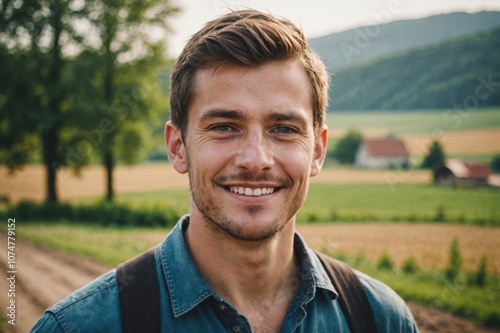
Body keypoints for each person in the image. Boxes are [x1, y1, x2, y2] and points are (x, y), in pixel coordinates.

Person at [32, 9, 418, 332]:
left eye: (284, 129)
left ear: (317, 150)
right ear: (178, 147)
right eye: (224, 127)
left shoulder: (380, 319)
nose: (256, 159)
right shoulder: (78, 328)